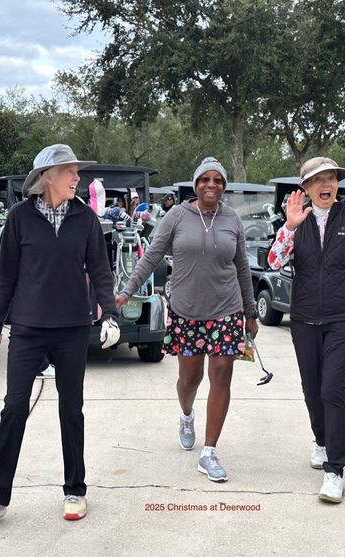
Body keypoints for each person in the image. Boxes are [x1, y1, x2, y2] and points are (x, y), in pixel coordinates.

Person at [0, 144, 121, 532]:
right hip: (27, 327)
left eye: (76, 171)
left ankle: (75, 490)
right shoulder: (19, 218)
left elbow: (100, 270)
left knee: (71, 409)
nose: (77, 178)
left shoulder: (86, 219)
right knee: (14, 407)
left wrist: (110, 314)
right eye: (69, 171)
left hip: (73, 328)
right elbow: (6, 275)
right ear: (47, 177)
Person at [116, 157, 259, 482]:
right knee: (190, 380)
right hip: (187, 312)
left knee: (221, 375)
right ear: (196, 184)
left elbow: (242, 268)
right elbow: (152, 255)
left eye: (218, 180)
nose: (211, 185)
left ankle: (209, 452)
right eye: (205, 179)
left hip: (226, 310)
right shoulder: (177, 216)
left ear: (224, 186)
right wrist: (126, 291)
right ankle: (186, 414)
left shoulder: (232, 219)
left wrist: (250, 313)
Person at [268, 157, 345, 504]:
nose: (326, 185)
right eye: (318, 180)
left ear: (337, 185)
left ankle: (335, 471)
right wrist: (289, 227)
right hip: (304, 318)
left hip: (344, 317)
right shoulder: (296, 220)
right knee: (312, 390)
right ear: (305, 188)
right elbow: (274, 261)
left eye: (331, 178)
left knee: (332, 388)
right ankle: (320, 441)